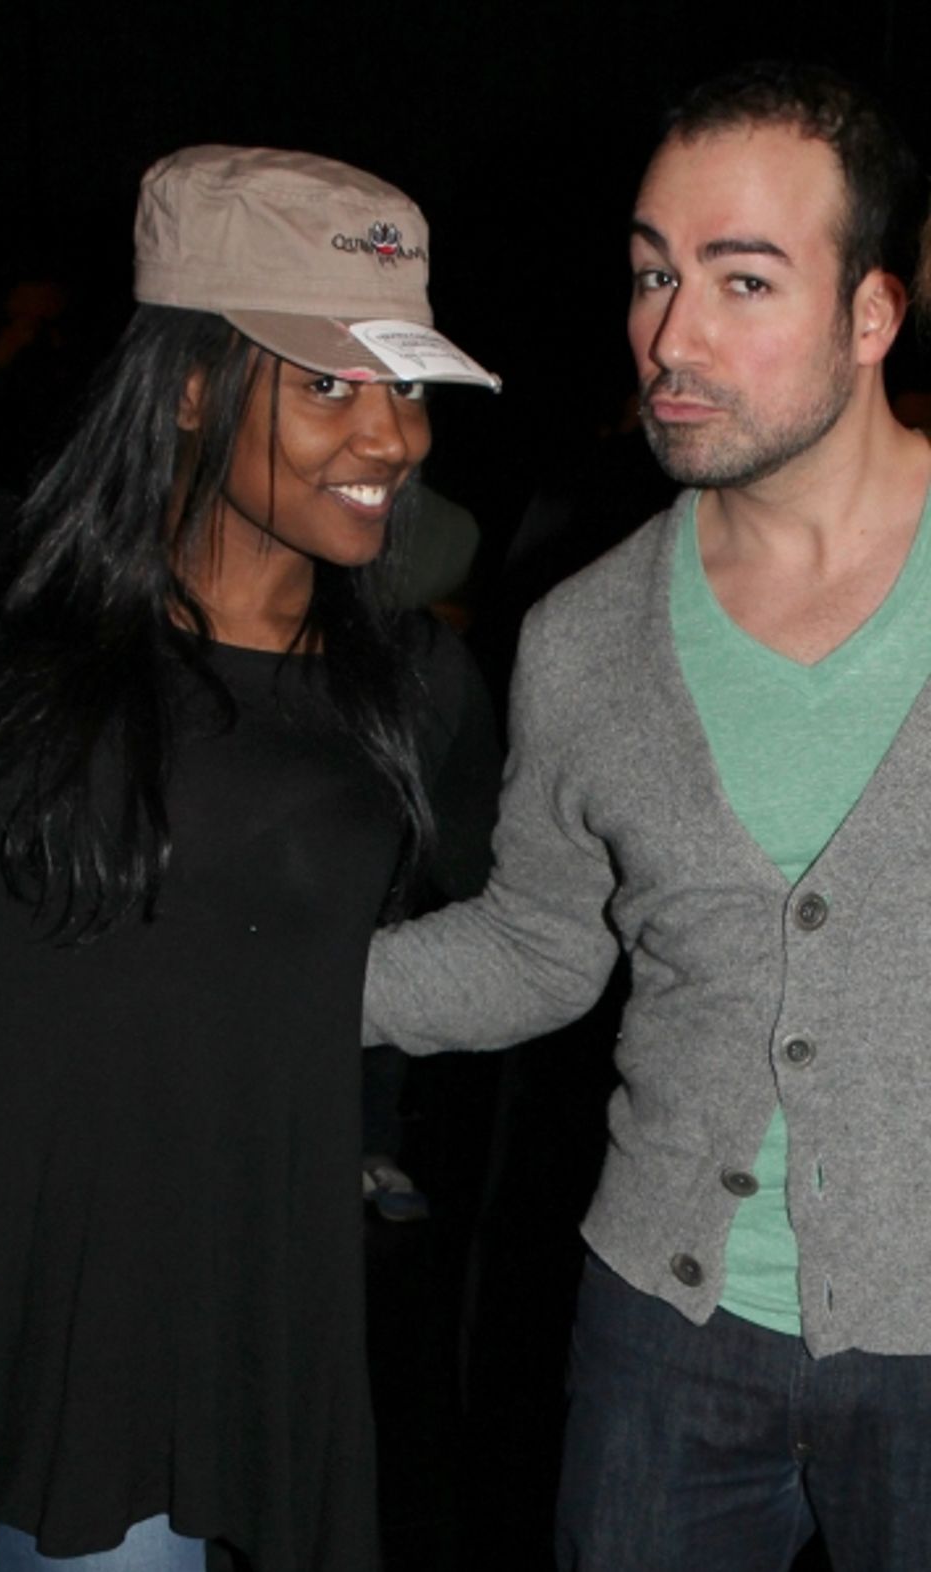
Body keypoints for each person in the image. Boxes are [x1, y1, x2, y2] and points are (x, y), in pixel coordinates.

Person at [0, 146, 499, 1572]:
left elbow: (544, 924)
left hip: (143, 1327)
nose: (393, 436)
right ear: (194, 388)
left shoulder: (409, 688)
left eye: (408, 386)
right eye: (332, 382)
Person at [365, 61, 931, 1571]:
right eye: (651, 275)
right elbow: (544, 947)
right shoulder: (585, 636)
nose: (670, 338)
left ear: (871, 315)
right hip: (662, 1341)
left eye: (743, 281)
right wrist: (281, 980)